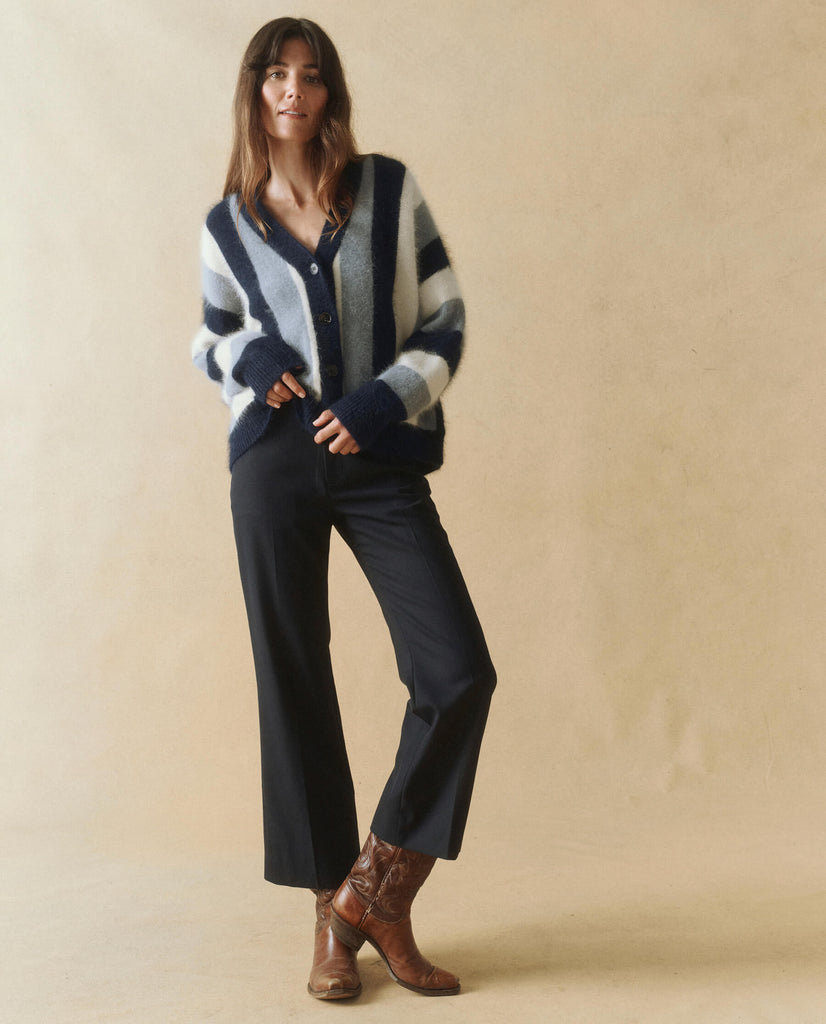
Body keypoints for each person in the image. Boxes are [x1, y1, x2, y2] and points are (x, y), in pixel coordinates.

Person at [192, 16, 496, 1001]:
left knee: (457, 669)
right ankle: (330, 913)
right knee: (294, 675)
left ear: (330, 93)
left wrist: (382, 401)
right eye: (276, 74)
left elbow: (445, 319)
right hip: (273, 462)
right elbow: (207, 339)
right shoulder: (227, 225)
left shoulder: (389, 192)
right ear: (255, 90)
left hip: (376, 454)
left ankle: (375, 892)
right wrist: (248, 355)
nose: (294, 90)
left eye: (311, 75)